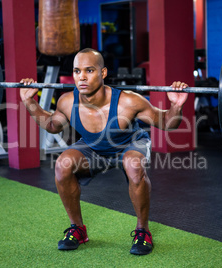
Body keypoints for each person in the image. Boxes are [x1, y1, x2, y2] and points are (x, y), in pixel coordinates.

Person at [20, 48, 188, 255]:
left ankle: (143, 230)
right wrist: (29, 102)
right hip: (93, 147)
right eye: (76, 71)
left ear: (103, 73)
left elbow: (167, 123)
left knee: (134, 166)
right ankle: (78, 229)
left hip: (129, 144)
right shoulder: (67, 101)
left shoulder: (128, 101)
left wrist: (176, 106)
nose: (81, 77)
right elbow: (53, 126)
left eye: (89, 70)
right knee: (62, 165)